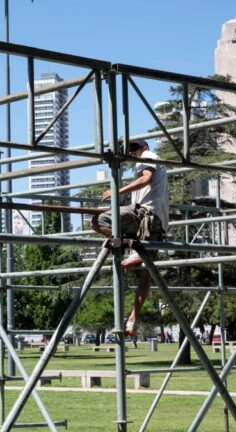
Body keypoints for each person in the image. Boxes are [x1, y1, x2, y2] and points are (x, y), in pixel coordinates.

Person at [91, 139, 169, 337]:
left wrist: (117, 191)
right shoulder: (156, 162)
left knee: (97, 221)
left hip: (145, 216)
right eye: (130, 150)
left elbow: (146, 178)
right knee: (144, 274)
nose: (132, 152)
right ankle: (132, 320)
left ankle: (130, 245)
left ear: (145, 148)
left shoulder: (148, 157)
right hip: (156, 223)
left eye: (135, 148)